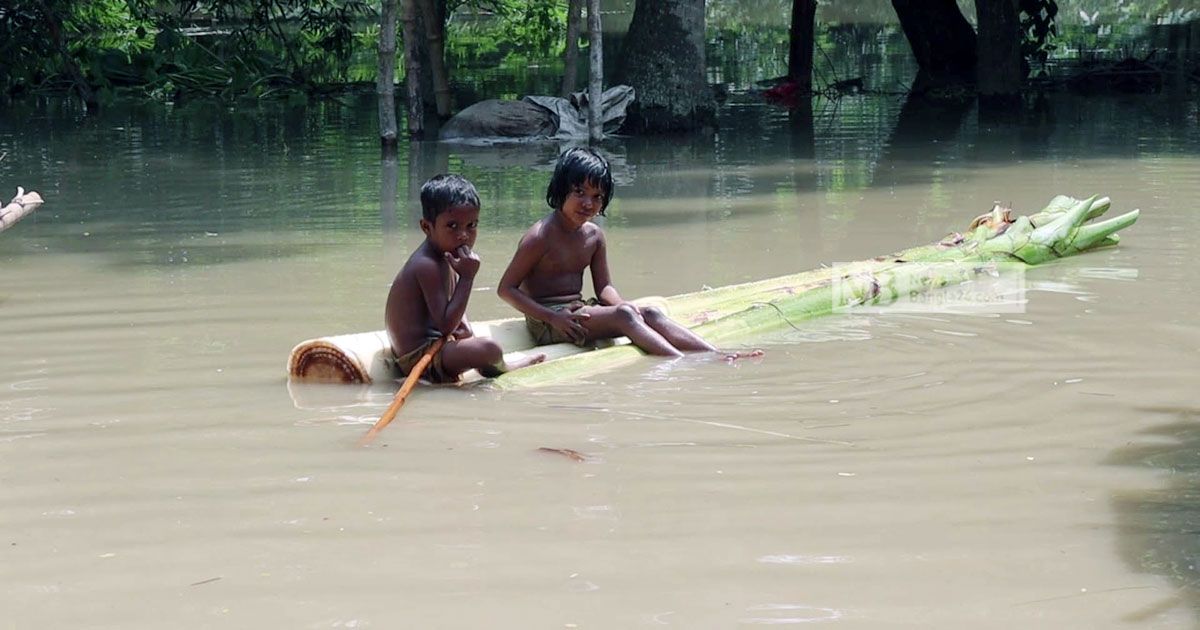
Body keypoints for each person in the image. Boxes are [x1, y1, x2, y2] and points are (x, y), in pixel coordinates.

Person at [498, 147, 760, 360]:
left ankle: (714, 353)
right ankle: (683, 362)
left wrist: (625, 306)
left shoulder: (594, 236)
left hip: (579, 311)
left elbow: (605, 288)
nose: (588, 203)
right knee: (625, 316)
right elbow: (506, 289)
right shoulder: (540, 236)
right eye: (579, 192)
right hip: (549, 322)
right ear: (560, 190)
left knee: (650, 313)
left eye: (597, 196)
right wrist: (552, 317)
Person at [385, 174, 544, 382]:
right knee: (490, 348)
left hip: (438, 344)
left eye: (471, 225)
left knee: (479, 342)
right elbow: (445, 325)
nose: (463, 235)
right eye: (452, 226)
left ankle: (489, 365)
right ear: (427, 227)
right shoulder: (427, 265)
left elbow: (452, 311)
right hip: (419, 357)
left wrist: (466, 331)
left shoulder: (446, 254)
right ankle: (502, 367)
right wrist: (467, 278)